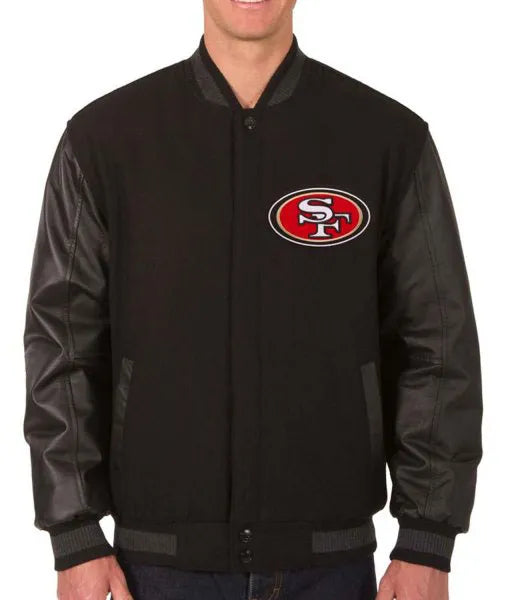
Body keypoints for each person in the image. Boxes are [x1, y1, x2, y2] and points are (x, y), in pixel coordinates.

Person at [23, 0, 483, 599]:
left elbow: (437, 343)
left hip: (331, 567)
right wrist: (75, 533)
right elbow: (62, 345)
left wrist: (427, 538)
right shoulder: (105, 141)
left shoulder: (386, 138)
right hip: (156, 572)